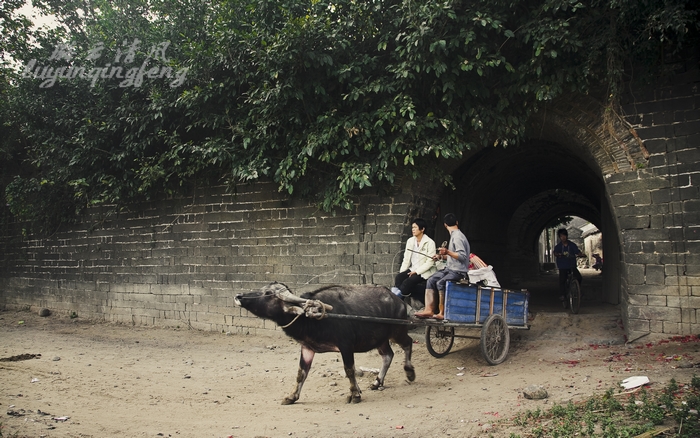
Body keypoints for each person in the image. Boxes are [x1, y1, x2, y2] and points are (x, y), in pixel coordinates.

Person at [414, 213, 470, 320]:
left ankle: (442, 312)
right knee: (431, 279)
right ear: (457, 223)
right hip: (450, 269)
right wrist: (440, 257)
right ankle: (429, 310)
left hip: (458, 271)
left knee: (440, 283)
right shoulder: (454, 235)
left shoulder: (458, 237)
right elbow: (453, 256)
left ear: (445, 225)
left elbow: (462, 256)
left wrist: (447, 252)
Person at [391, 218, 437, 302]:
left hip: (424, 271)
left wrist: (416, 272)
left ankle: (396, 299)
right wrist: (403, 272)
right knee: (399, 278)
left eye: (415, 227)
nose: (413, 229)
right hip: (412, 268)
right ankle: (403, 295)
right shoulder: (410, 241)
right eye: (412, 227)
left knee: (408, 282)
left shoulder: (430, 242)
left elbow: (430, 262)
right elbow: (406, 259)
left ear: (422, 229)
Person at [553, 228, 583, 307]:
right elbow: (555, 253)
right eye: (561, 236)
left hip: (571, 265)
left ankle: (577, 290)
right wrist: (558, 255)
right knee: (562, 280)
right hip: (563, 266)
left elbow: (577, 252)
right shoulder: (559, 246)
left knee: (579, 277)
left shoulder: (572, 245)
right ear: (560, 237)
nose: (563, 238)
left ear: (567, 236)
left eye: (564, 236)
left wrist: (581, 254)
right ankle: (562, 295)